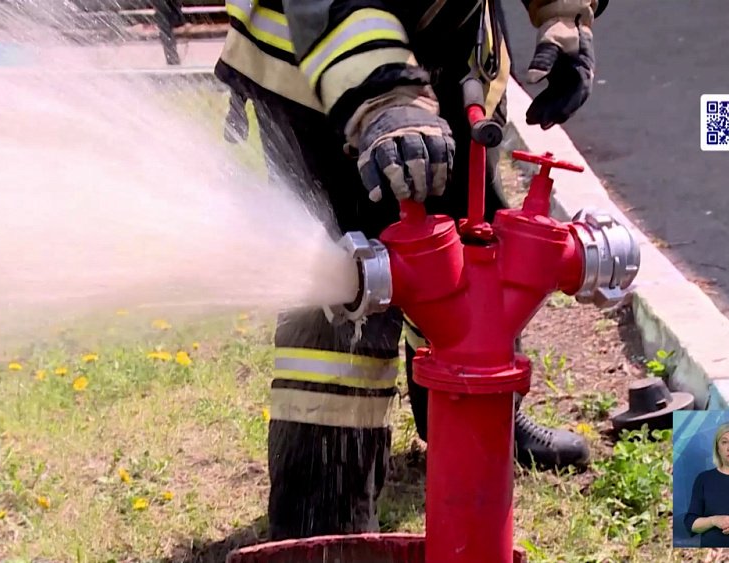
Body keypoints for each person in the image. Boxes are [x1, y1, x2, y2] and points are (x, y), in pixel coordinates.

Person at [214, 0, 608, 540]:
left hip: (454, 49)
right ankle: (325, 520)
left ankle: (473, 419)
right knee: (344, 303)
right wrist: (383, 96)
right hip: (317, 65)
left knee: (469, 245)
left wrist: (563, 15)